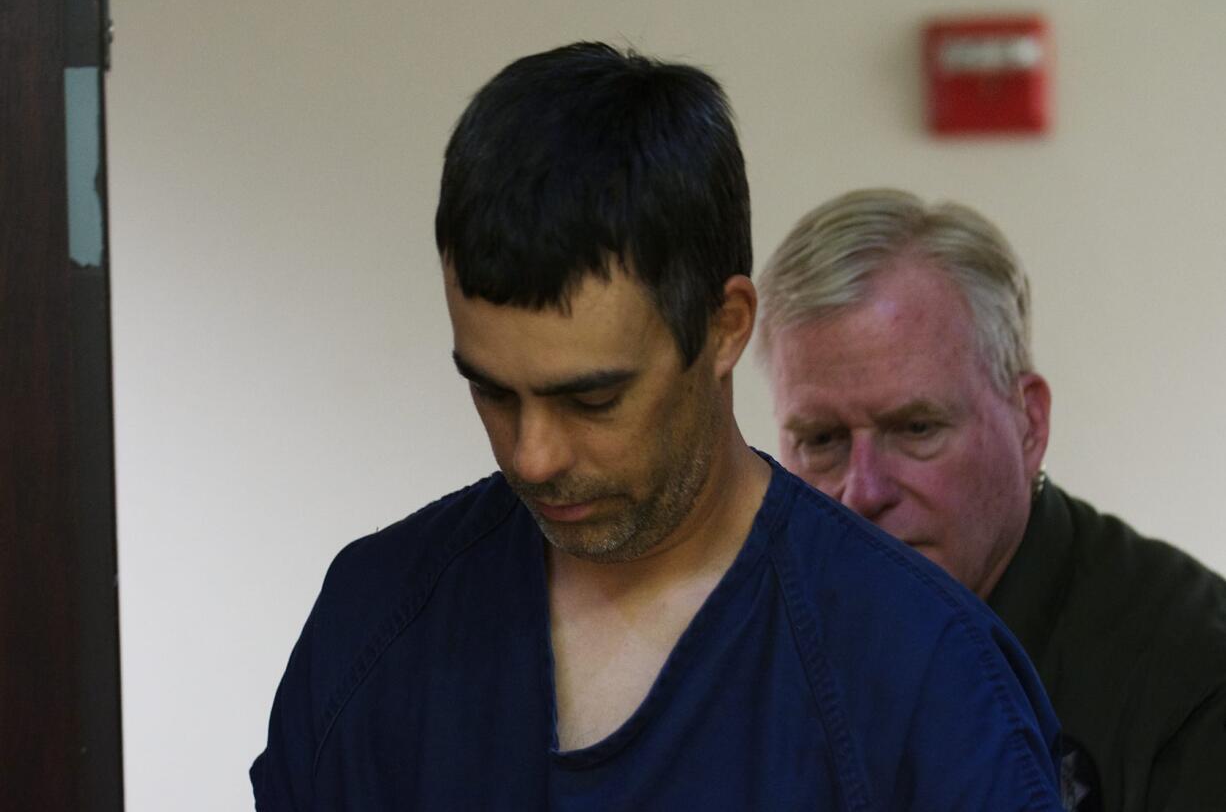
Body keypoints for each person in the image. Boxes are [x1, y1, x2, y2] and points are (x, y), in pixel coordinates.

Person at [251, 47, 1065, 810]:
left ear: (724, 327)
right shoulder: (376, 622)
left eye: (593, 400)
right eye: (494, 394)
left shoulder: (924, 677)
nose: (533, 456)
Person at [758, 187, 1226, 812]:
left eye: (916, 429)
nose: (862, 492)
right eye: (821, 440)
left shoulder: (1193, 682)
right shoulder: (748, 654)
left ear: (1029, 423)